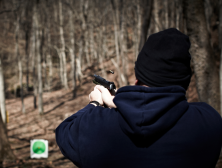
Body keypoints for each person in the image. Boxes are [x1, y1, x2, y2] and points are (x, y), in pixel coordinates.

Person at [55, 28, 222, 168]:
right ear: (184, 83)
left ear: (137, 78)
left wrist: (95, 103)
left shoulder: (94, 127)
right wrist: (120, 104)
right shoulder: (210, 122)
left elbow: (64, 132)